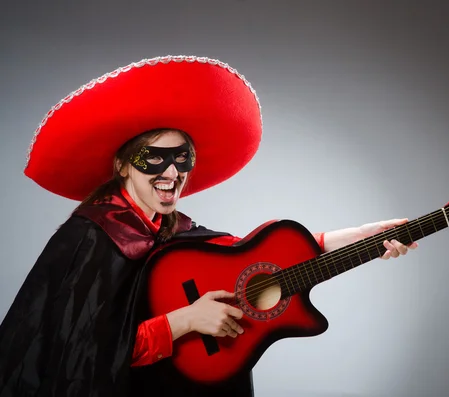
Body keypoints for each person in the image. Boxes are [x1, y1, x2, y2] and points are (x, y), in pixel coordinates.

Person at [0, 55, 417, 397]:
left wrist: (358, 238)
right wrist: (184, 321)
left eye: (182, 159)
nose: (171, 172)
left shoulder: (175, 230)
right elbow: (82, 358)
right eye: (153, 159)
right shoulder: (90, 237)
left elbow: (247, 254)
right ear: (123, 166)